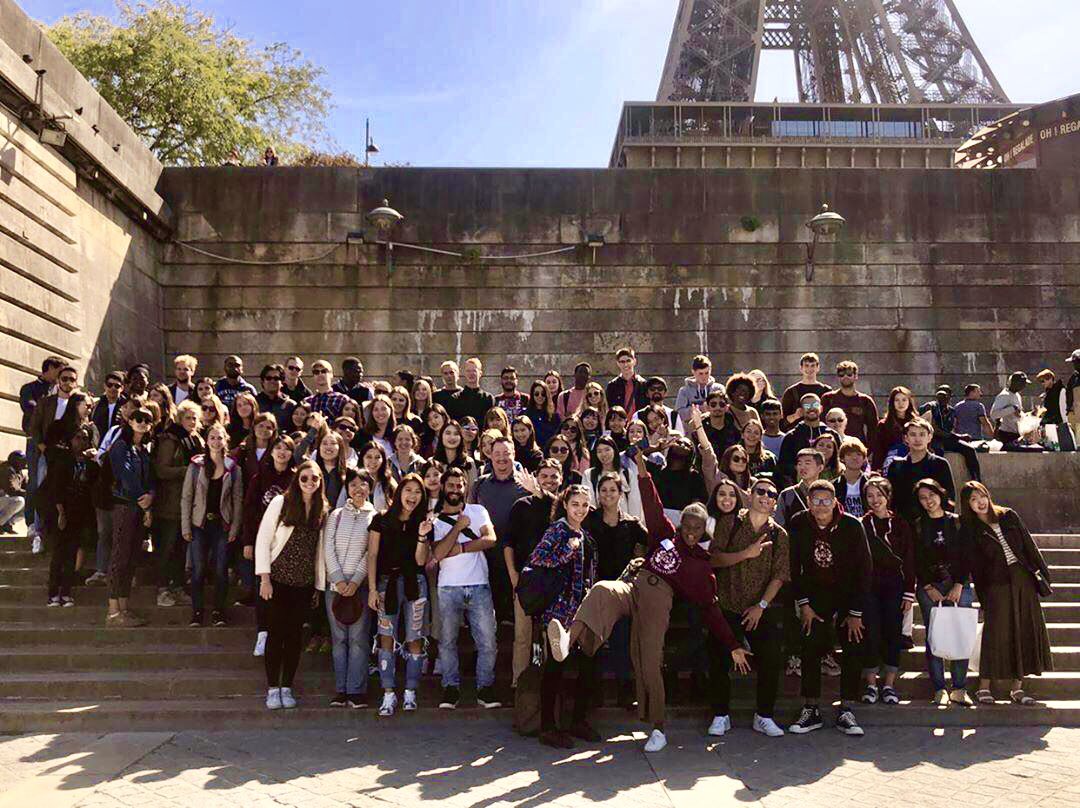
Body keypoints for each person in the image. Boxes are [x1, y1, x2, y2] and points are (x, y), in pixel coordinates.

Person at [548, 494, 749, 754]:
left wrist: (732, 645)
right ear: (680, 525)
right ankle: (566, 640)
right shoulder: (665, 535)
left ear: (704, 531)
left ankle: (658, 729)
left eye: (697, 528)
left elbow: (711, 609)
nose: (690, 532)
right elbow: (653, 503)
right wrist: (642, 471)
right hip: (633, 587)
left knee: (650, 662)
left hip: (658, 602)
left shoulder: (701, 565)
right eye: (687, 526)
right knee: (602, 589)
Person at [787, 480, 871, 736]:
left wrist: (855, 612)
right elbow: (794, 567)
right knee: (810, 643)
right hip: (815, 592)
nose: (821, 506)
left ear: (835, 502)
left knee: (853, 642)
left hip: (847, 592)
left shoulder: (852, 525)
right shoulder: (799, 523)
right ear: (808, 502)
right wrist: (804, 604)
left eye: (826, 501)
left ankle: (846, 709)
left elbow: (864, 569)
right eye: (816, 501)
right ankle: (811, 708)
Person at [707, 476, 789, 737]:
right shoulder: (730, 523)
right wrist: (746, 554)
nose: (765, 497)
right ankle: (721, 715)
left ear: (775, 503)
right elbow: (714, 559)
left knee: (771, 658)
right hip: (728, 603)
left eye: (771, 494)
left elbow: (779, 575)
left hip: (759, 608)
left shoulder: (779, 534)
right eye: (761, 491)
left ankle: (764, 716)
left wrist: (761, 606)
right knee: (718, 658)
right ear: (750, 495)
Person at [960, 481, 1053, 706]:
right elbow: (976, 568)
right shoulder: (970, 529)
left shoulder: (1008, 516)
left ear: (988, 495)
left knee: (1023, 631)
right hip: (996, 584)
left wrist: (1043, 576)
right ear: (967, 504)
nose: (980, 502)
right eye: (973, 499)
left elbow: (1029, 546)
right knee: (995, 635)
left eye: (981, 496)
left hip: (1023, 580)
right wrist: (983, 599)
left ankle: (1017, 688)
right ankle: (984, 686)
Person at [528, 485, 601, 748]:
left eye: (584, 504)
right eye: (575, 504)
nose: (580, 509)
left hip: (582, 609)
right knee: (555, 667)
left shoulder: (584, 533)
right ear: (565, 505)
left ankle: (578, 720)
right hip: (559, 610)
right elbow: (538, 558)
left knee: (587, 664)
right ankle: (548, 727)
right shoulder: (558, 530)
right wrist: (567, 551)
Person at [256, 459, 329, 710]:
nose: (309, 482)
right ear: (297, 480)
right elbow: (263, 539)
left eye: (315, 478)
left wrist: (318, 585)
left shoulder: (322, 509)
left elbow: (319, 550)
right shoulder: (281, 503)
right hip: (277, 580)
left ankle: (286, 686)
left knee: (294, 637)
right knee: (276, 635)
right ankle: (272, 688)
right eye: (304, 478)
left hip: (304, 584)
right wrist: (264, 578)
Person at [429, 467, 501, 709]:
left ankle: (485, 688)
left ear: (465, 487)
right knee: (447, 641)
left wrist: (460, 548)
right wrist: (458, 527)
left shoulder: (478, 511)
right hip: (448, 587)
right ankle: (450, 688)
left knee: (487, 641)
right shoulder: (434, 519)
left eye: (459, 485)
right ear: (443, 487)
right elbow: (438, 553)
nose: (455, 490)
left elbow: (490, 539)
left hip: (479, 584)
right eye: (451, 485)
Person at [366, 473, 431, 716]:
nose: (412, 496)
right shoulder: (381, 519)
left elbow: (421, 561)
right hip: (387, 583)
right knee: (386, 637)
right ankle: (388, 693)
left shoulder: (424, 522)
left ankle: (410, 692)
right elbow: (372, 555)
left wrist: (422, 535)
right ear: (399, 492)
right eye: (408, 490)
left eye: (417, 492)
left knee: (415, 637)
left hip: (415, 583)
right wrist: (372, 589)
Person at [585, 469, 650, 708]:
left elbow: (652, 542)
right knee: (594, 641)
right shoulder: (590, 521)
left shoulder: (631, 524)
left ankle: (625, 691)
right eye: (603, 490)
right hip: (595, 589)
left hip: (622, 590)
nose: (608, 494)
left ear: (620, 493)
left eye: (612, 490)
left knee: (622, 639)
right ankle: (593, 693)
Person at [912, 477, 974, 707]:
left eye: (932, 495)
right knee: (934, 635)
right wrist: (928, 587)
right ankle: (939, 688)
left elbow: (967, 556)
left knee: (961, 633)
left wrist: (958, 584)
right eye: (923, 498)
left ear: (940, 494)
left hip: (958, 584)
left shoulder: (957, 522)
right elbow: (916, 559)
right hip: (930, 586)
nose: (928, 501)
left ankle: (959, 688)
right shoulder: (918, 525)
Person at [504, 459, 562, 687]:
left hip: (555, 581)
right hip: (526, 581)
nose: (549, 480)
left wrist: (540, 493)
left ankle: (549, 686)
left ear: (561, 478)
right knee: (522, 636)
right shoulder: (521, 505)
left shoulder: (563, 506)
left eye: (553, 476)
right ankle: (518, 685)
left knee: (551, 637)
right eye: (544, 476)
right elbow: (508, 543)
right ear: (537, 477)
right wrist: (513, 576)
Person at [323, 468, 377, 708]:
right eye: (353, 484)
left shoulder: (375, 517)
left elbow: (371, 553)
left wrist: (355, 581)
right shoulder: (335, 515)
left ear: (370, 488)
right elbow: (328, 547)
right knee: (338, 639)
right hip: (335, 585)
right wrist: (338, 579)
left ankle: (356, 691)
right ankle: (341, 690)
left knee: (358, 639)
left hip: (360, 586)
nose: (358, 489)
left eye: (363, 484)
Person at [859, 477, 916, 705]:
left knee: (893, 633)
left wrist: (909, 591)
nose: (875, 500)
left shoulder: (901, 524)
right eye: (870, 496)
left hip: (895, 585)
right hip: (869, 586)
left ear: (888, 496)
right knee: (871, 633)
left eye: (879, 495)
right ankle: (871, 684)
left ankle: (889, 684)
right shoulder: (862, 524)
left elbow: (909, 559)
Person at [181, 423, 244, 627]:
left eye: (220, 438)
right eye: (212, 438)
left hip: (222, 525)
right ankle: (197, 612)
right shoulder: (196, 466)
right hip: (199, 524)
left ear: (226, 440)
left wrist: (234, 527)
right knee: (198, 569)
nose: (216, 442)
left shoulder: (233, 468)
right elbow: (187, 497)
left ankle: (219, 611)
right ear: (207, 441)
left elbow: (237, 501)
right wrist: (185, 526)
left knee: (220, 569)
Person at [242, 434, 296, 656]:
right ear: (271, 451)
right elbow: (249, 510)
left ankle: (281, 634)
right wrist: (248, 541)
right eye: (278, 448)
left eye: (287, 448)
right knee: (263, 587)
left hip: (288, 542)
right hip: (262, 540)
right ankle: (262, 633)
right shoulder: (259, 477)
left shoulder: (296, 478)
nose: (282, 452)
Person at [105, 405, 156, 628]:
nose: (142, 423)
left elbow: (151, 478)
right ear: (130, 421)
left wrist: (151, 497)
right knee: (119, 557)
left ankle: (124, 609)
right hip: (124, 506)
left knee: (131, 559)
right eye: (138, 418)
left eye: (147, 420)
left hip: (140, 507)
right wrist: (143, 499)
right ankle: (113, 611)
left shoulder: (144, 450)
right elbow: (125, 475)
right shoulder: (120, 445)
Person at [152, 399, 203, 608]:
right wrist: (189, 470)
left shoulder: (196, 439)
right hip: (170, 502)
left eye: (195, 418)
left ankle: (178, 586)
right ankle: (163, 589)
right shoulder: (170, 439)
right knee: (168, 547)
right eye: (188, 418)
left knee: (182, 549)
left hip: (190, 502)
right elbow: (161, 470)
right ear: (180, 419)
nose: (192, 422)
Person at [39, 425, 99, 607]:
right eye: (78, 437)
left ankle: (66, 592)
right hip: (61, 511)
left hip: (79, 513)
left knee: (72, 553)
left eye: (85, 438)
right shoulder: (63, 460)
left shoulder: (90, 464)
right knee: (58, 553)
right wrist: (60, 513)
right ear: (71, 440)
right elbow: (56, 488)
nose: (81, 441)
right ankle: (53, 593)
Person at [20, 356, 65, 540]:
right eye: (59, 371)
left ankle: (48, 522)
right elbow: (30, 408)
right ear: (50, 368)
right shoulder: (29, 388)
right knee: (34, 481)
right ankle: (31, 522)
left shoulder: (61, 390)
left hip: (56, 443)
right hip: (36, 441)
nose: (62, 376)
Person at [886, 418, 956, 525]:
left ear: (930, 437)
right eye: (913, 435)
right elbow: (891, 500)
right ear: (906, 438)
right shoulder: (896, 466)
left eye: (922, 434)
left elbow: (949, 498)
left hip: (933, 525)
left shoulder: (940, 464)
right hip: (905, 525)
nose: (917, 439)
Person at [919, 385, 983, 482]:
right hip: (932, 439)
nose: (943, 396)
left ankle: (976, 479)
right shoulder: (930, 407)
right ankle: (936, 481)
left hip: (946, 438)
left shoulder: (951, 411)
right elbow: (934, 429)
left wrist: (958, 437)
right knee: (938, 451)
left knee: (969, 449)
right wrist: (958, 436)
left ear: (950, 396)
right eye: (941, 393)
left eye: (946, 394)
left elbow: (949, 430)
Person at [777, 393, 840, 489]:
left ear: (821, 408)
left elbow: (839, 462)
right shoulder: (792, 436)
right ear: (801, 411)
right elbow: (784, 469)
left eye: (815, 405)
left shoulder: (833, 435)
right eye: (807, 406)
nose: (811, 408)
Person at [582, 435, 643, 520]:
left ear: (614, 450)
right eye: (599, 451)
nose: (603, 454)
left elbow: (635, 502)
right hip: (599, 523)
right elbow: (590, 502)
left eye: (607, 450)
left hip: (624, 522)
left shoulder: (627, 474)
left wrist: (632, 523)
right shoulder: (589, 474)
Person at [821, 361, 878, 449]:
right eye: (841, 374)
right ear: (838, 377)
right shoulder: (828, 399)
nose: (845, 377)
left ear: (856, 376)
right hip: (832, 447)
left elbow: (873, 429)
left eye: (849, 374)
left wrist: (868, 450)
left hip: (857, 448)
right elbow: (821, 424)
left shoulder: (865, 401)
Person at [991, 372, 1044, 451]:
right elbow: (994, 414)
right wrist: (1012, 408)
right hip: (1005, 434)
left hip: (1016, 434)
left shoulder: (1017, 395)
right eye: (1022, 384)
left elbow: (1018, 414)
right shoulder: (1004, 395)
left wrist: (1031, 414)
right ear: (1016, 383)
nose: (1024, 386)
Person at [780, 353, 831, 428]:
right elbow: (781, 423)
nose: (809, 369)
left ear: (818, 368)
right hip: (798, 433)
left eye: (812, 365)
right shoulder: (791, 392)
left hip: (821, 432)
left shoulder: (826, 391)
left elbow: (832, 418)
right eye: (806, 366)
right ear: (801, 368)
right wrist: (795, 416)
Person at [872, 387, 916, 470]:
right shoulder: (883, 425)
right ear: (892, 402)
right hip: (891, 465)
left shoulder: (916, 423)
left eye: (904, 400)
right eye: (897, 400)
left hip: (913, 463)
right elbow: (878, 451)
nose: (900, 403)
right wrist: (876, 470)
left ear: (909, 401)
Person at [674, 354, 722, 424]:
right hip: (693, 428)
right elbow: (679, 414)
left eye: (707, 373)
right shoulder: (684, 391)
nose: (704, 376)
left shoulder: (718, 388)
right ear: (693, 372)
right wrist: (700, 408)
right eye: (700, 373)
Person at [447, 358, 495, 424]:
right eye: (468, 371)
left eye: (474, 371)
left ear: (480, 373)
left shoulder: (488, 398)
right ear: (464, 373)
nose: (471, 373)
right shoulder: (455, 398)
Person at [606, 347, 649, 419]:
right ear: (618, 363)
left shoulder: (643, 384)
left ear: (634, 361)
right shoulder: (612, 385)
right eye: (622, 362)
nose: (625, 364)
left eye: (628, 361)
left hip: (639, 423)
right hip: (620, 423)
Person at [833, 438, 870, 518]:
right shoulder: (834, 485)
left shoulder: (870, 483)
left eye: (858, 454)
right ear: (842, 458)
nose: (854, 458)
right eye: (849, 454)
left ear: (864, 459)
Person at [255, 364, 296, 431]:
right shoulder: (254, 403)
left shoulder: (290, 405)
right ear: (262, 382)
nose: (272, 381)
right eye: (268, 378)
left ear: (282, 382)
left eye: (276, 378)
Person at [525, 380, 561, 449]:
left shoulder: (554, 416)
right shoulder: (525, 414)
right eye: (536, 394)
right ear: (532, 395)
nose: (540, 396)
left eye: (543, 394)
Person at [92, 371, 127, 440]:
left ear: (122, 388)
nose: (113, 388)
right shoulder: (96, 404)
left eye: (117, 386)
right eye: (109, 385)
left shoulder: (126, 405)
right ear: (104, 386)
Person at [0, 451, 28, 534]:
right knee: (19, 501)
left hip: (4, 502)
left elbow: (26, 487)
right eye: (23, 461)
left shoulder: (19, 472)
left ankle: (6, 524)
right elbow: (11, 490)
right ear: (16, 461)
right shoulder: (6, 469)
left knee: (31, 504)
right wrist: (28, 493)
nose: (25, 463)